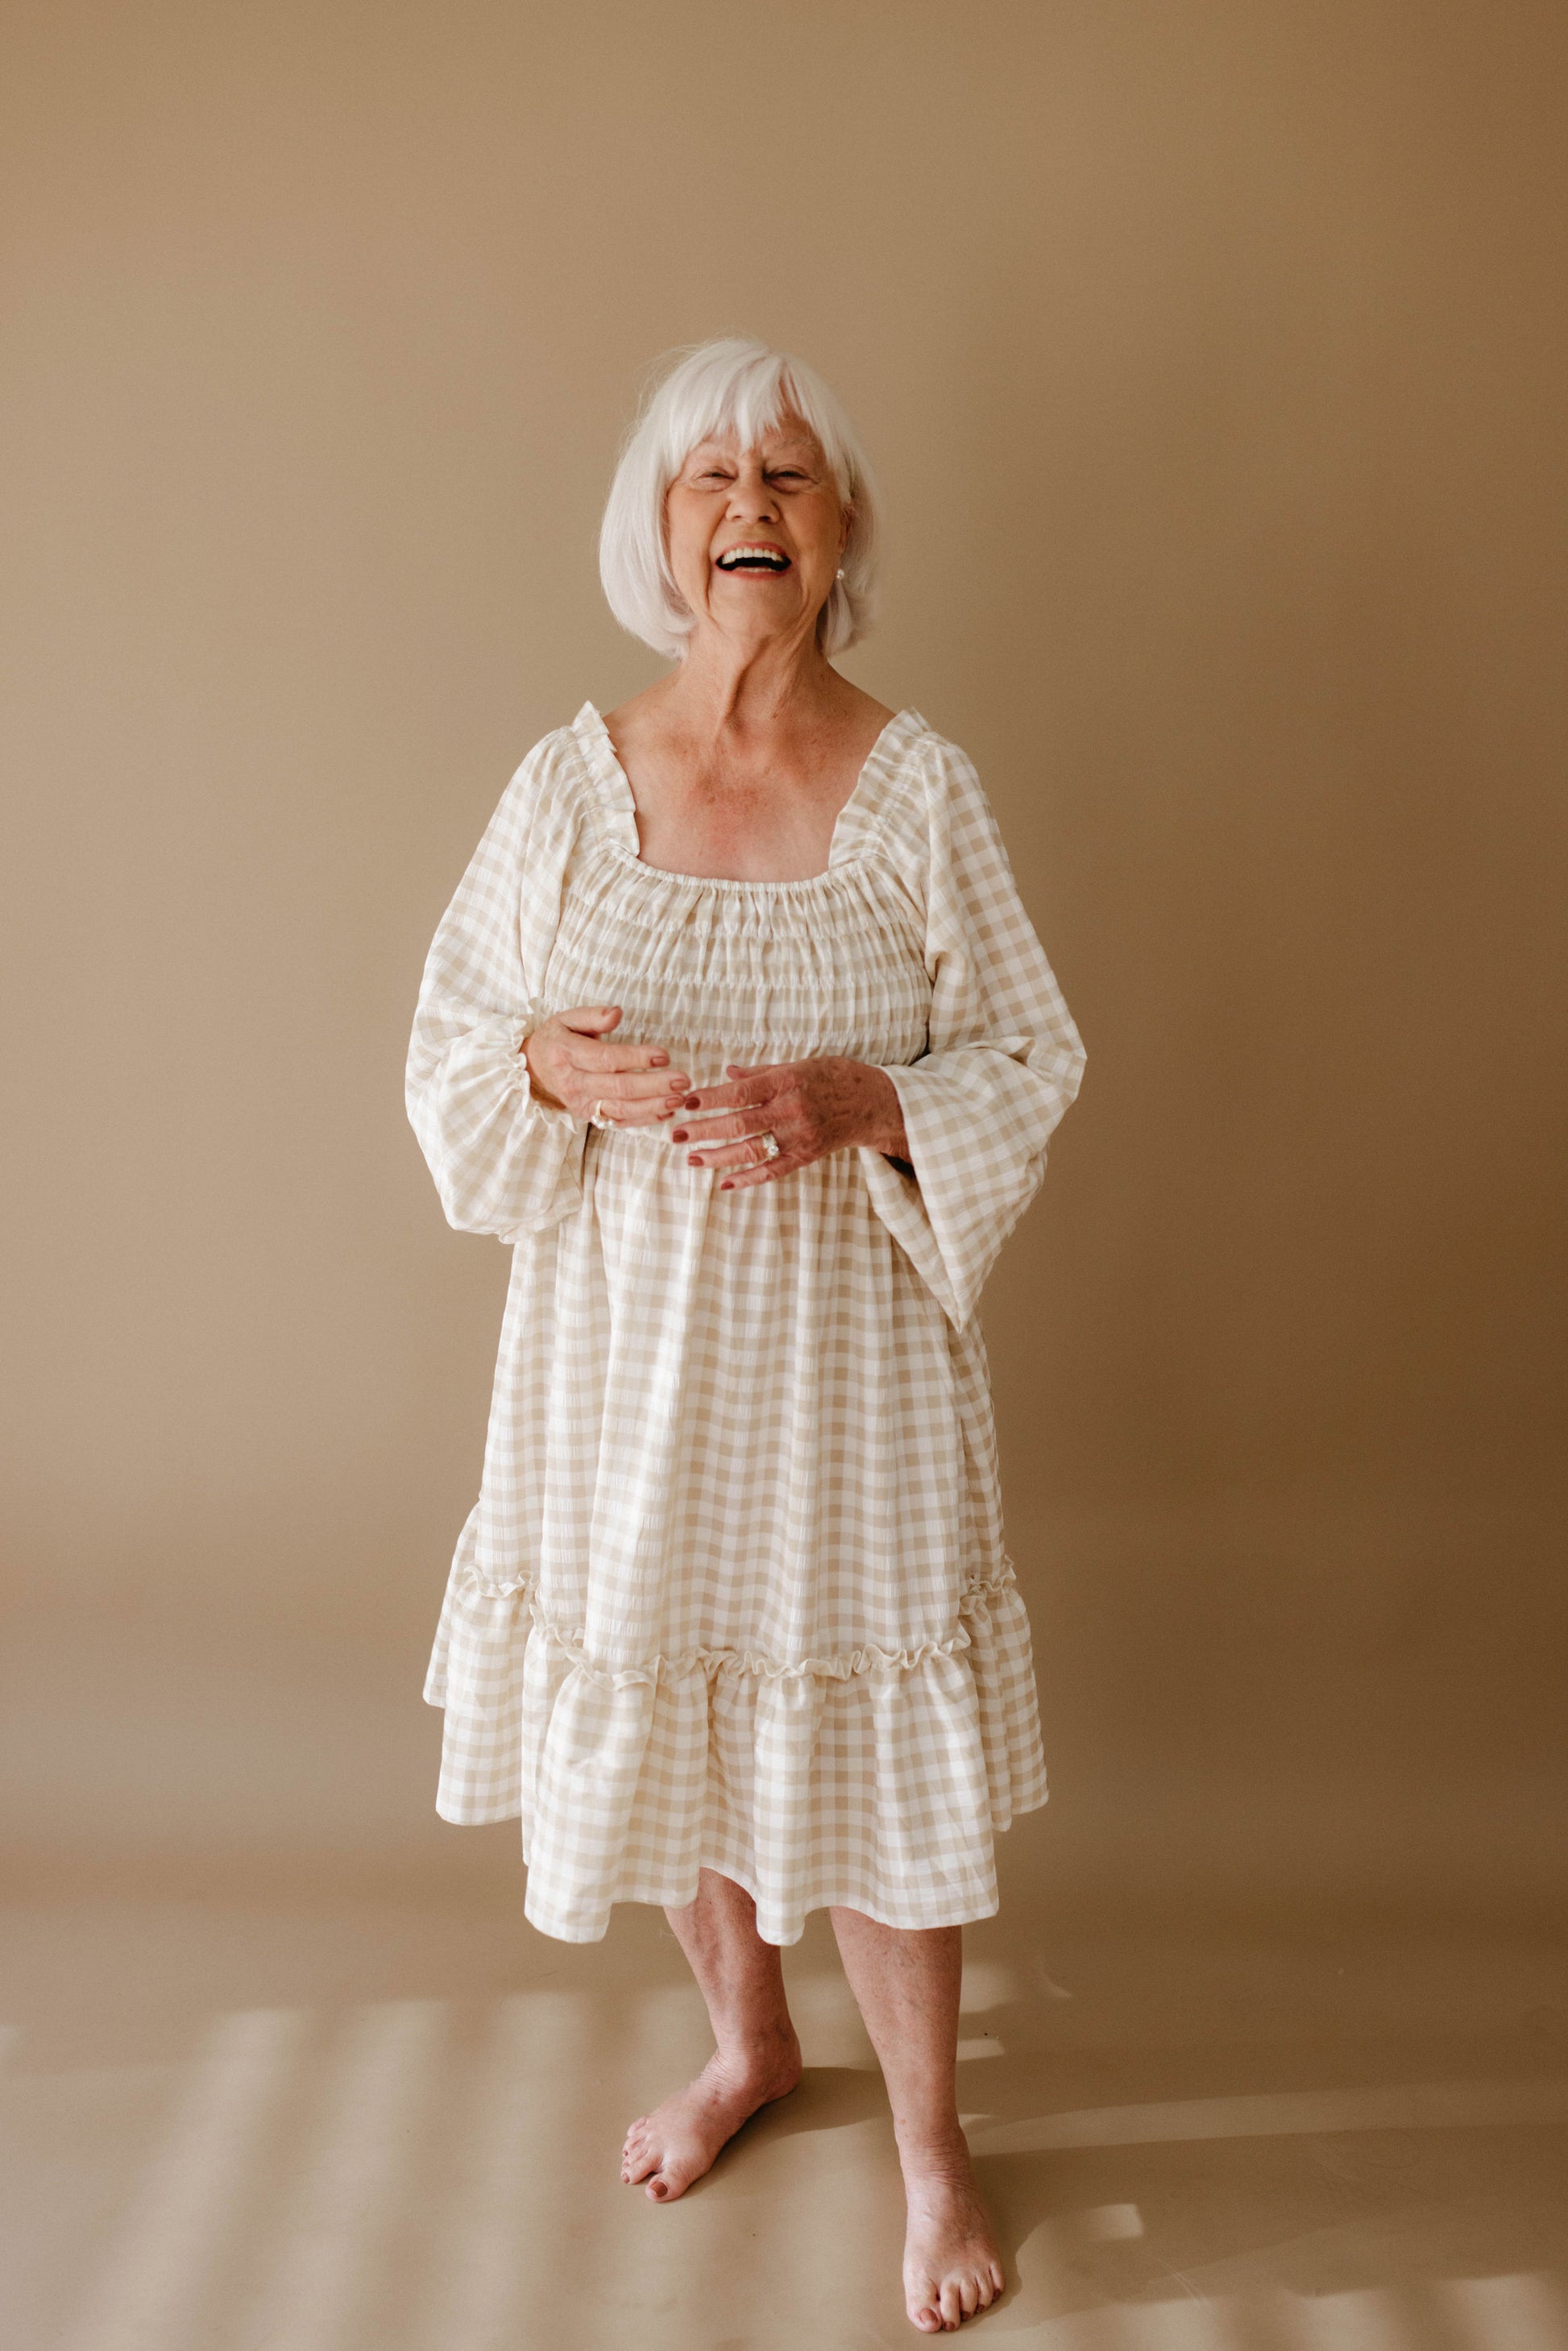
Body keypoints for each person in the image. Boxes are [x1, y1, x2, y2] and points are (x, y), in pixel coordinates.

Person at [406, 336, 1086, 2334]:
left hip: (846, 1370)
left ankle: (935, 2144)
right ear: (658, 530)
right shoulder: (566, 786)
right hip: (615, 1354)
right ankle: (746, 2044)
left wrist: (862, 1101)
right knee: (669, 1698)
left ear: (842, 528)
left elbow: (1033, 1053)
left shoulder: (920, 791)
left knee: (871, 1741)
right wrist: (546, 1060)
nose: (751, 512)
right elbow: (451, 1040)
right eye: (712, 483)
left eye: (788, 480)